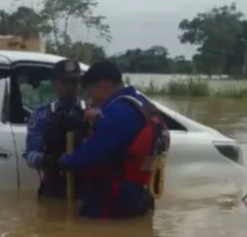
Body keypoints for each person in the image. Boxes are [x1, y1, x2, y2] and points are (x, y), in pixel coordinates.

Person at [58, 61, 170, 219]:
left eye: (91, 92)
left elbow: (92, 154)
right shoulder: (141, 104)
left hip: (114, 194)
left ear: (103, 85)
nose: (91, 99)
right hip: (140, 192)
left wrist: (65, 160)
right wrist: (100, 116)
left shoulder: (116, 114)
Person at [24, 59, 91, 200]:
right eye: (65, 82)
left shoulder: (92, 113)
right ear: (54, 84)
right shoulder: (42, 115)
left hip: (87, 190)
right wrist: (48, 160)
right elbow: (30, 155)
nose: (70, 87)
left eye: (74, 82)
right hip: (53, 187)